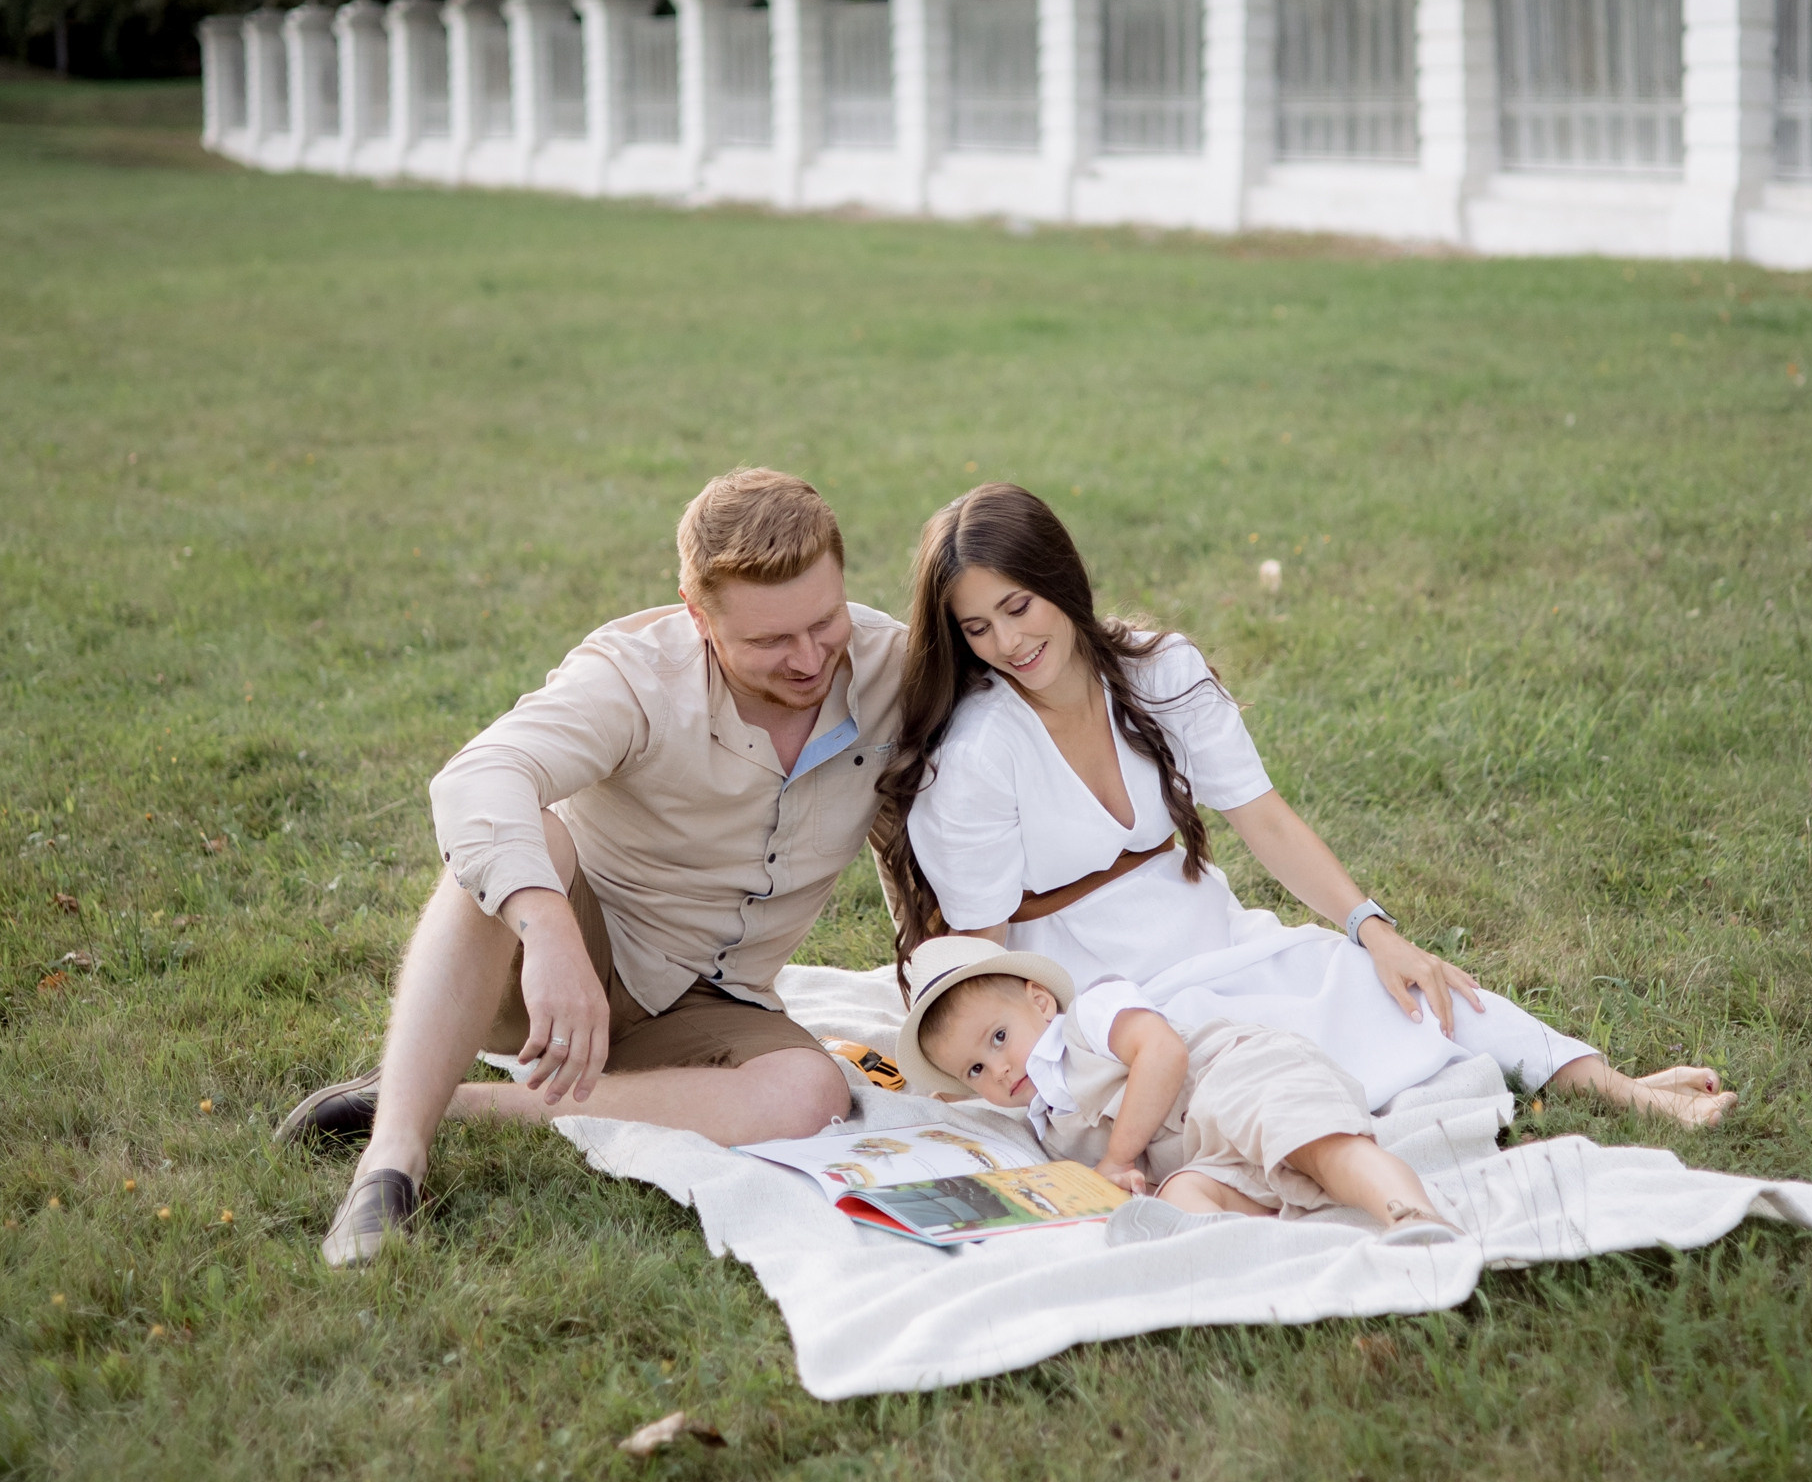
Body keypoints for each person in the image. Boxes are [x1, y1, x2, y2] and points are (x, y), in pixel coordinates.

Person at [876, 485, 1736, 1133]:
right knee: (1260, 1058)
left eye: (1017, 607)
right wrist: (997, 1062)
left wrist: (1375, 927)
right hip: (1095, 986)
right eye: (977, 628)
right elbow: (980, 949)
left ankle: (1611, 1087)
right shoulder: (983, 750)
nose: (1008, 642)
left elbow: (1266, 819)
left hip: (1204, 929)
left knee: (1394, 983)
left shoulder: (1159, 672)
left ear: (1061, 578)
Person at [281, 469, 901, 1266]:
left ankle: (463, 1102)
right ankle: (393, 1158)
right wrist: (549, 934)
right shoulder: (635, 674)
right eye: (770, 641)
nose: (810, 658)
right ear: (697, 615)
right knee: (525, 828)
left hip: (719, 1001)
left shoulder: (893, 669)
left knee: (812, 1094)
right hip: (560, 974)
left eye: (823, 621)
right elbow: (480, 776)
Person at [899, 933, 1458, 1239]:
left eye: (998, 1037)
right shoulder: (1046, 1121)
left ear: (1040, 1001)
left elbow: (1162, 1052)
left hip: (1233, 1080)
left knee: (1313, 1141)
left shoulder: (1090, 1017)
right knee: (1180, 1205)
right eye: (974, 1070)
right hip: (1205, 1154)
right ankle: (1286, 1248)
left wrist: (1117, 1158)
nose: (996, 1070)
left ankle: (1410, 1213)